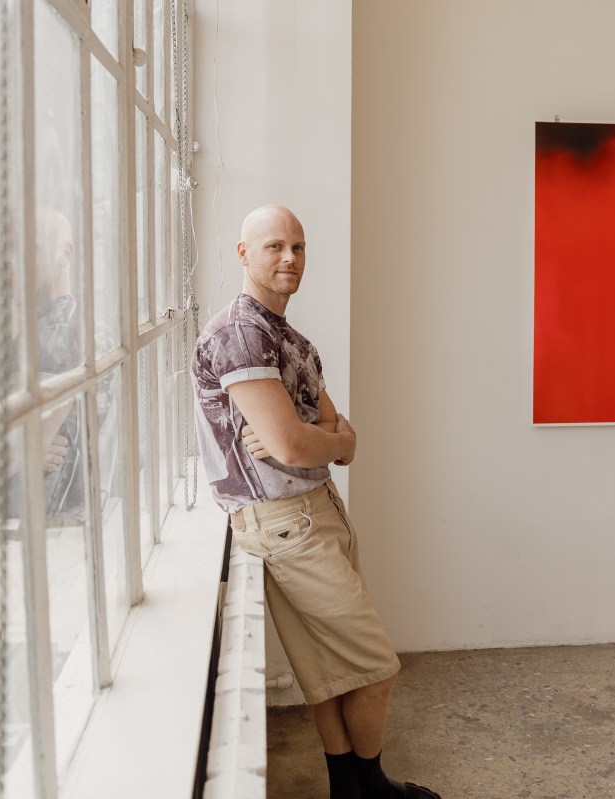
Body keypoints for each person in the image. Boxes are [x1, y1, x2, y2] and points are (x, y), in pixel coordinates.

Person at [191, 205, 440, 799]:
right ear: (243, 254)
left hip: (313, 509)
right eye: (274, 246)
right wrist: (320, 441)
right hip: (283, 523)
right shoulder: (239, 334)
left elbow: (338, 442)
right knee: (378, 667)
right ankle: (372, 786)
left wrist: (323, 444)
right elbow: (293, 441)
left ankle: (349, 790)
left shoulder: (290, 340)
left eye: (298, 248)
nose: (290, 259)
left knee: (331, 672)